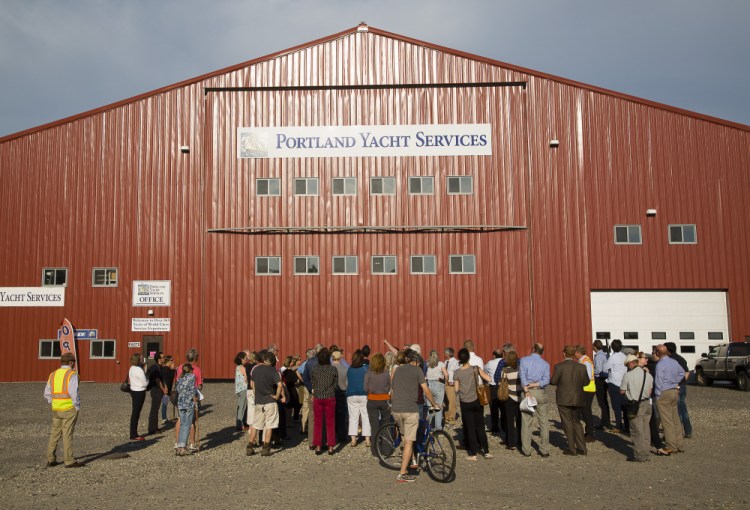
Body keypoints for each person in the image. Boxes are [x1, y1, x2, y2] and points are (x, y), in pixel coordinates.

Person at [390, 349, 438, 482]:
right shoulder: (417, 371)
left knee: (406, 439)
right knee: (409, 442)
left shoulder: (398, 370)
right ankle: (402, 474)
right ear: (416, 361)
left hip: (396, 409)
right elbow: (426, 391)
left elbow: (392, 390)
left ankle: (409, 464)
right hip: (410, 410)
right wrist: (434, 404)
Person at [44, 353, 83, 468]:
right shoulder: (72, 374)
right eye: (74, 362)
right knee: (67, 434)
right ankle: (69, 460)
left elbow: (47, 393)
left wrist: (53, 402)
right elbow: (73, 393)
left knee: (55, 433)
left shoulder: (53, 374)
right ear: (71, 362)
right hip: (69, 408)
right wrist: (77, 406)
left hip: (56, 408)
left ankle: (51, 458)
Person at [454, 348, 493, 460]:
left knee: (470, 428)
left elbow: (456, 389)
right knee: (480, 426)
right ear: (468, 358)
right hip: (477, 400)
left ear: (459, 359)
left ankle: (473, 454)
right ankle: (486, 451)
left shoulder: (457, 373)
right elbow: (489, 379)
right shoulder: (475, 368)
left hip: (465, 402)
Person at [550, 345, 589, 456]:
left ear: (564, 354)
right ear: (574, 354)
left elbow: (553, 381)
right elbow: (586, 382)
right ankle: (582, 448)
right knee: (577, 422)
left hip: (564, 398)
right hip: (578, 398)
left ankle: (572, 448)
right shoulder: (582, 367)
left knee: (567, 423)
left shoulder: (559, 367)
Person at [246, 351, 286, 456]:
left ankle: (250, 447)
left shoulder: (255, 369)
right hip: (270, 401)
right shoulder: (273, 371)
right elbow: (280, 385)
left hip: (259, 401)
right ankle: (265, 448)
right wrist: (277, 396)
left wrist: (256, 395)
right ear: (272, 361)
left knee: (255, 425)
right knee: (269, 425)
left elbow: (252, 384)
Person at [519, 343, 551, 457]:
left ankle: (527, 450)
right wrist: (535, 384)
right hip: (540, 391)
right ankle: (544, 449)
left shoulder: (523, 360)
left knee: (527, 421)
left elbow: (522, 376)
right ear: (542, 352)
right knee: (543, 421)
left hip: (528, 392)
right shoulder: (545, 364)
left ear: (533, 349)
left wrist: (527, 389)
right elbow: (546, 380)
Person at [620, 354, 653, 462]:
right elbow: (650, 391)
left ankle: (639, 455)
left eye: (627, 365)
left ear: (630, 363)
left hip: (635, 405)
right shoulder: (648, 375)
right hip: (647, 403)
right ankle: (647, 453)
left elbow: (622, 391)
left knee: (636, 431)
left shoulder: (628, 375)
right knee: (645, 429)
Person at [653, 344, 685, 454]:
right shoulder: (674, 362)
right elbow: (682, 373)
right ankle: (679, 444)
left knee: (667, 421)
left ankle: (671, 445)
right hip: (674, 391)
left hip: (664, 392)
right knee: (675, 418)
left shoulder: (660, 365)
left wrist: (657, 395)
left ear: (657, 353)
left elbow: (658, 382)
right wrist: (675, 382)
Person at [174, 349, 203, 451]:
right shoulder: (195, 372)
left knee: (180, 421)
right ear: (195, 358)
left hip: (180, 400)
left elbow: (177, 384)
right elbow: (198, 386)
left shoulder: (179, 368)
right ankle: (190, 444)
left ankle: (178, 443)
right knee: (190, 423)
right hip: (190, 401)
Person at [311, 348, 338, 455]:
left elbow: (313, 383)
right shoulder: (333, 369)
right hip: (330, 397)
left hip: (318, 397)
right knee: (330, 422)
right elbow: (335, 385)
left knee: (318, 422)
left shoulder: (315, 369)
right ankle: (330, 446)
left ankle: (318, 446)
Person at [664, 342, 693, 438]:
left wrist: (676, 384)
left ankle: (678, 432)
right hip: (682, 386)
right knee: (683, 408)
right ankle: (688, 431)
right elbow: (687, 371)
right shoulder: (681, 359)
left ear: (668, 350)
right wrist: (682, 382)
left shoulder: (670, 360)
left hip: (674, 387)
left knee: (676, 411)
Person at [301, 343, 324, 445]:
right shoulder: (325, 362)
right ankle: (321, 440)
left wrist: (311, 388)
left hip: (312, 392)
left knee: (312, 417)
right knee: (322, 417)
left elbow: (305, 378)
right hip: (323, 393)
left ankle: (311, 441)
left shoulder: (309, 363)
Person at [346, 349, 370, 447]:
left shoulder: (349, 369)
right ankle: (367, 440)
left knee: (353, 417)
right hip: (363, 394)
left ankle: (353, 440)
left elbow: (347, 382)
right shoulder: (365, 368)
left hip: (351, 394)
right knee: (365, 417)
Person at [603, 339, 628, 433]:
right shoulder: (624, 356)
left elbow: (605, 369)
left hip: (614, 383)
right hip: (624, 382)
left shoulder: (613, 357)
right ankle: (627, 426)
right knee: (624, 406)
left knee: (616, 406)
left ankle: (618, 426)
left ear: (612, 348)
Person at [175, 363, 199, 456]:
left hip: (180, 403)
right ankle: (183, 447)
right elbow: (192, 390)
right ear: (190, 369)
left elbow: (177, 389)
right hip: (188, 403)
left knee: (182, 425)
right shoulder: (192, 376)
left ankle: (179, 446)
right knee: (187, 425)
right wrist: (195, 401)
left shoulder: (180, 378)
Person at [365, 352, 391, 437]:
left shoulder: (369, 373)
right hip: (384, 400)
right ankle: (386, 448)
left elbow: (365, 388)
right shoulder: (386, 373)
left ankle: (375, 449)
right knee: (386, 424)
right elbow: (389, 387)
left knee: (374, 427)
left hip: (372, 400)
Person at [500, 351, 522, 451]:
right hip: (520, 396)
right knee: (520, 420)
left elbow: (502, 382)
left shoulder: (505, 370)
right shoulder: (520, 369)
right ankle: (521, 441)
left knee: (509, 421)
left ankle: (511, 443)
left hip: (509, 397)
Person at [574, 345, 596, 442]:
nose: (574, 354)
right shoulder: (583, 361)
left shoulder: (585, 362)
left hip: (587, 389)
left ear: (579, 353)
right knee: (584, 411)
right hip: (586, 388)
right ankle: (587, 432)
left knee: (586, 411)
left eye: (575, 352)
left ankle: (590, 434)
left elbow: (588, 377)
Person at [425, 350, 448, 430]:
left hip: (428, 385)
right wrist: (446, 382)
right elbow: (446, 374)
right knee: (438, 406)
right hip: (438, 384)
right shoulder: (441, 364)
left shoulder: (427, 364)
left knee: (430, 407)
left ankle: (428, 426)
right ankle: (438, 427)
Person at [146, 352, 167, 435]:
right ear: (159, 359)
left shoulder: (159, 367)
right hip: (156, 390)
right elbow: (157, 380)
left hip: (157, 390)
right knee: (154, 409)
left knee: (156, 409)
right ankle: (152, 429)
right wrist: (163, 389)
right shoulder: (155, 368)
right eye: (163, 357)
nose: (164, 359)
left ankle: (155, 427)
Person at [128, 353, 148, 441]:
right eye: (141, 358)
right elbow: (144, 382)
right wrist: (148, 380)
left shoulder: (131, 368)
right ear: (138, 360)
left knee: (135, 412)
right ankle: (133, 434)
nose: (142, 360)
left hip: (133, 390)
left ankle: (133, 432)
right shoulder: (139, 370)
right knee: (136, 413)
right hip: (139, 391)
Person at [484, 348, 504, 435]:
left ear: (494, 355)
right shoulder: (504, 362)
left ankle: (495, 427)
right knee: (503, 407)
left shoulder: (490, 363)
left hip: (493, 386)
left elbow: (484, 371)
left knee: (494, 407)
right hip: (503, 386)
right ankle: (504, 426)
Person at [592, 340, 611, 429]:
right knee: (604, 401)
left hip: (599, 379)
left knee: (602, 402)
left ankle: (605, 423)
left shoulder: (599, 356)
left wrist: (591, 372)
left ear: (595, 346)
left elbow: (598, 370)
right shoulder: (603, 355)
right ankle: (606, 421)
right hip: (604, 379)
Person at [332, 350, 349, 444]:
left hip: (333, 393)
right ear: (340, 358)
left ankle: (334, 436)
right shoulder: (344, 368)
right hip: (342, 392)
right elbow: (347, 383)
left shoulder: (331, 368)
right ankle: (342, 436)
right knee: (342, 416)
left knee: (333, 415)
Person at [443, 347, 459, 425]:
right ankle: (447, 416)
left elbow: (457, 373)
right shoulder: (446, 362)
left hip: (451, 384)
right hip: (445, 383)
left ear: (448, 354)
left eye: (445, 353)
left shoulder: (455, 362)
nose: (444, 355)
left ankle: (451, 418)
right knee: (446, 401)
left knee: (451, 401)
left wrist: (453, 382)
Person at [234, 351, 249, 431]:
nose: (246, 360)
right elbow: (247, 377)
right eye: (245, 358)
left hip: (239, 389)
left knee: (241, 406)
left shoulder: (238, 367)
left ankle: (240, 423)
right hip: (243, 389)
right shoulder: (242, 367)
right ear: (241, 359)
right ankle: (240, 425)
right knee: (242, 407)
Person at [161, 355, 176, 424]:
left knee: (166, 403)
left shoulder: (165, 368)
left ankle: (164, 417)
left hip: (168, 388)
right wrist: (173, 369)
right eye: (172, 360)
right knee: (165, 403)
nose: (173, 361)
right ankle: (164, 418)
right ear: (168, 361)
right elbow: (171, 376)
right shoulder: (166, 369)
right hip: (166, 389)